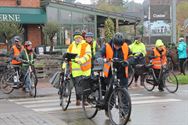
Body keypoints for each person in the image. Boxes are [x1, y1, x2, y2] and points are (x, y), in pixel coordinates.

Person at [65, 31, 91, 106]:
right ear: (74, 39)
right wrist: (65, 64)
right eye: (76, 38)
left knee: (85, 85)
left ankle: (85, 99)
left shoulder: (86, 45)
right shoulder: (71, 46)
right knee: (77, 86)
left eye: (79, 38)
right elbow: (67, 56)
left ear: (81, 38)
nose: (78, 39)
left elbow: (88, 55)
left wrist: (81, 60)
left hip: (85, 69)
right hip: (75, 70)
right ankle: (78, 99)